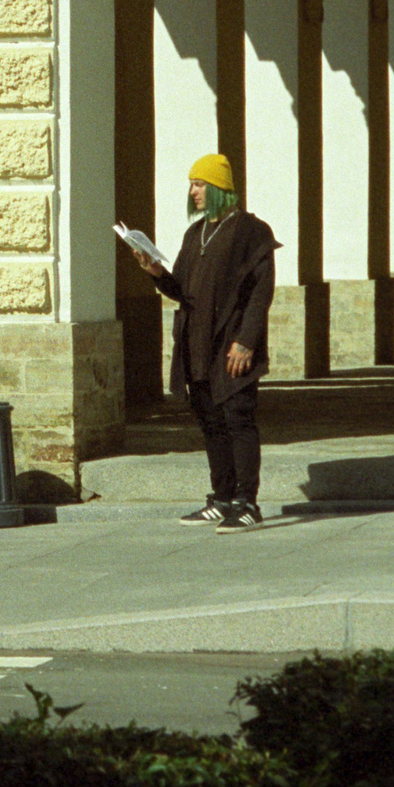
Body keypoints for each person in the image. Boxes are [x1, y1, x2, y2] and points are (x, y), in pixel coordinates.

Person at [131, 153, 277, 532]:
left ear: (219, 188)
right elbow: (182, 289)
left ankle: (247, 503)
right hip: (197, 342)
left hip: (231, 343)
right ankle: (223, 497)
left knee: (238, 419)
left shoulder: (250, 230)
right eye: (192, 184)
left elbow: (260, 291)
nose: (194, 191)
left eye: (200, 184)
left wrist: (246, 341)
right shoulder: (194, 234)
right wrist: (156, 272)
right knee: (210, 420)